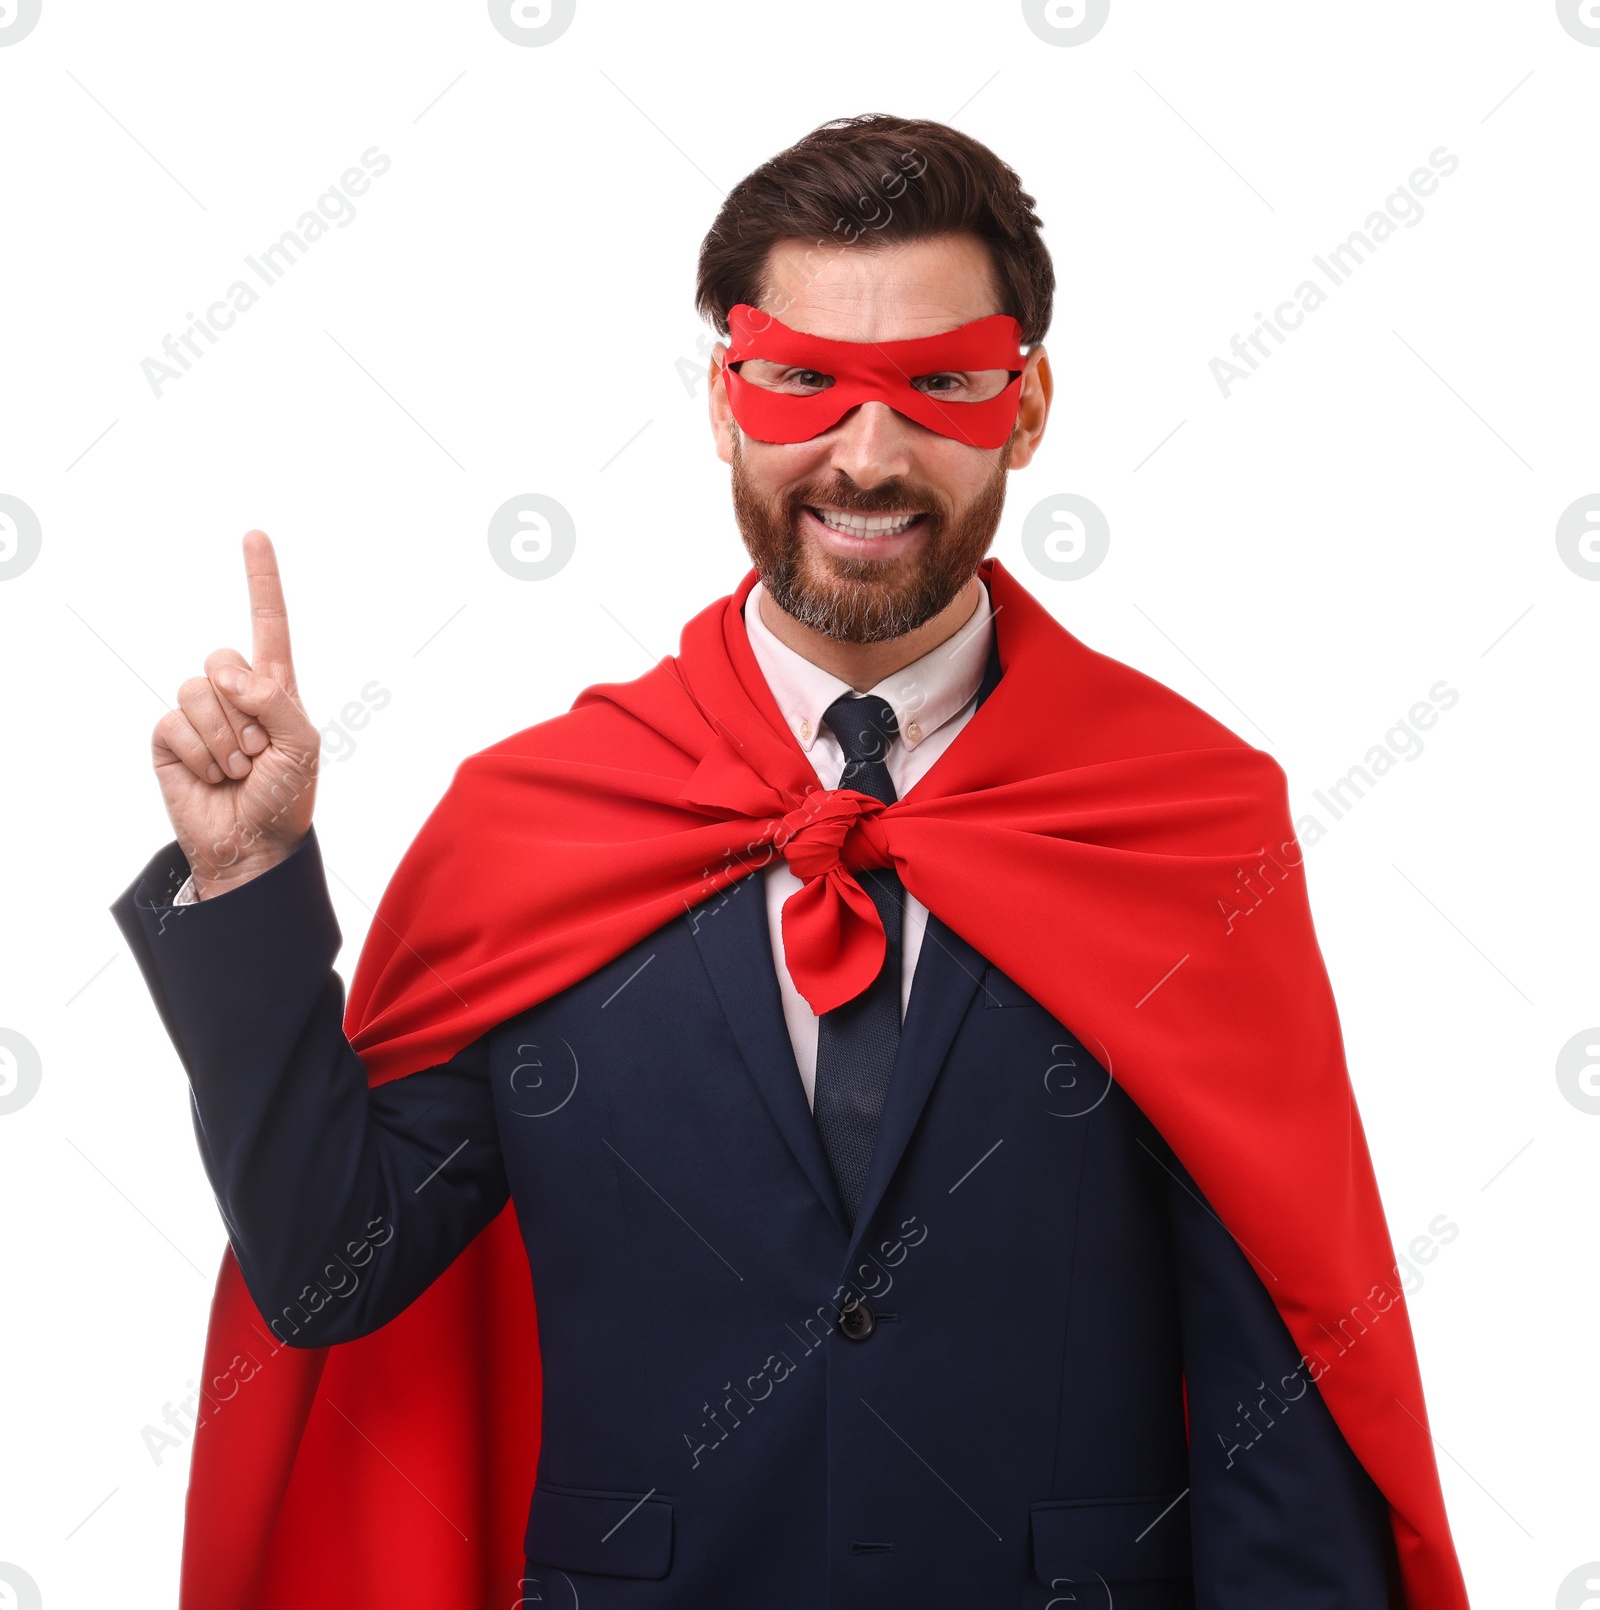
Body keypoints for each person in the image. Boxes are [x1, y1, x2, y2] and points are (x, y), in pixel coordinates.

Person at [113, 115, 1468, 1609]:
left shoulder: (1183, 817)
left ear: (1026, 410)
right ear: (722, 400)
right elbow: (328, 1272)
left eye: (939, 384)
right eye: (804, 380)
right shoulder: (538, 821)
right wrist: (247, 885)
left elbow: (1286, 1367)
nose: (867, 455)